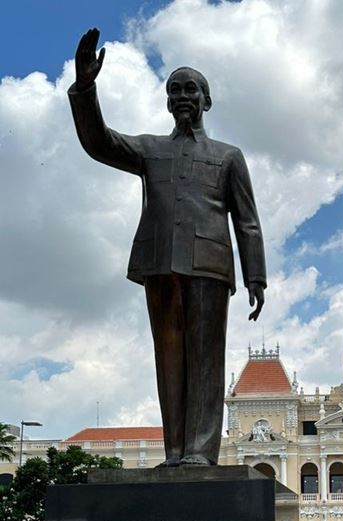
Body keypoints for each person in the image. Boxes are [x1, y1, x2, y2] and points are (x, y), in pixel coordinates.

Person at [69, 29, 268, 466]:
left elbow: (247, 220)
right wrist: (86, 88)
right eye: (174, 90)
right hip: (159, 263)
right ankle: (176, 452)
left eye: (190, 89)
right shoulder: (149, 150)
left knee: (205, 360)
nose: (182, 96)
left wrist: (256, 276)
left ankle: (200, 452)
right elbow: (98, 141)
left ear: (206, 100)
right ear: (166, 101)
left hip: (210, 265)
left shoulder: (228, 155)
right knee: (169, 359)